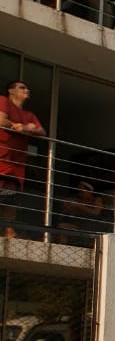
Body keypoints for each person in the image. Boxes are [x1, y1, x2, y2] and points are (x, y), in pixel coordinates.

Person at [0, 79, 47, 239]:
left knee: (9, 196)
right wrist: (21, 127)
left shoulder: (29, 115)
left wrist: (26, 128)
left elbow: (42, 132)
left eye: (27, 88)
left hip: (17, 163)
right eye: (22, 87)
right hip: (2, 158)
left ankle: (9, 230)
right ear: (11, 91)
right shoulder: (4, 101)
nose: (26, 90)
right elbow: (1, 120)